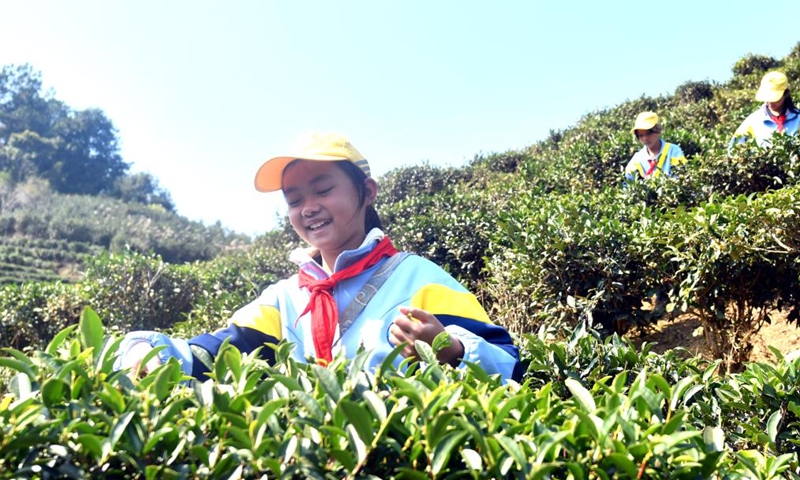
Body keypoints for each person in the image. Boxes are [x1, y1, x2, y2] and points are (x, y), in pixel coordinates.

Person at [116, 132, 523, 382]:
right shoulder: (283, 299)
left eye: (323, 190)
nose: (307, 207)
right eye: (294, 200)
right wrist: (147, 353)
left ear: (367, 192)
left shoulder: (420, 280)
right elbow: (214, 352)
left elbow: (506, 363)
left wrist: (449, 348)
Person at [730, 71, 799, 148]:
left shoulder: (798, 119)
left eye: (774, 98)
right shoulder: (753, 120)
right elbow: (733, 149)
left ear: (786, 94)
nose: (770, 101)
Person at [624, 111, 686, 182]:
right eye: (641, 135)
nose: (645, 138)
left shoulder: (673, 150)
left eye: (648, 133)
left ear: (658, 130)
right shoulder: (638, 158)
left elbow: (681, 174)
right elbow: (629, 181)